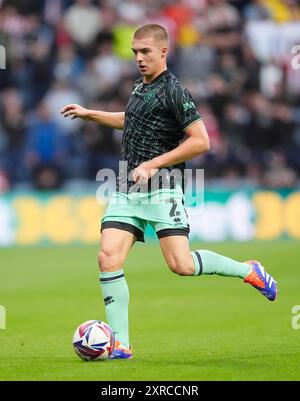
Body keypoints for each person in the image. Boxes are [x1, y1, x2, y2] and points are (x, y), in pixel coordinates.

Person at [61, 24, 278, 360]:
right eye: (134, 52)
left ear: (164, 51)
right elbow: (132, 119)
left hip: (161, 189)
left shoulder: (176, 91)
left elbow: (201, 140)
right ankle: (120, 343)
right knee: (108, 258)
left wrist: (154, 164)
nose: (139, 58)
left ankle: (248, 269)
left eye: (145, 51)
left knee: (182, 265)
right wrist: (92, 115)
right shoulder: (139, 88)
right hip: (125, 187)